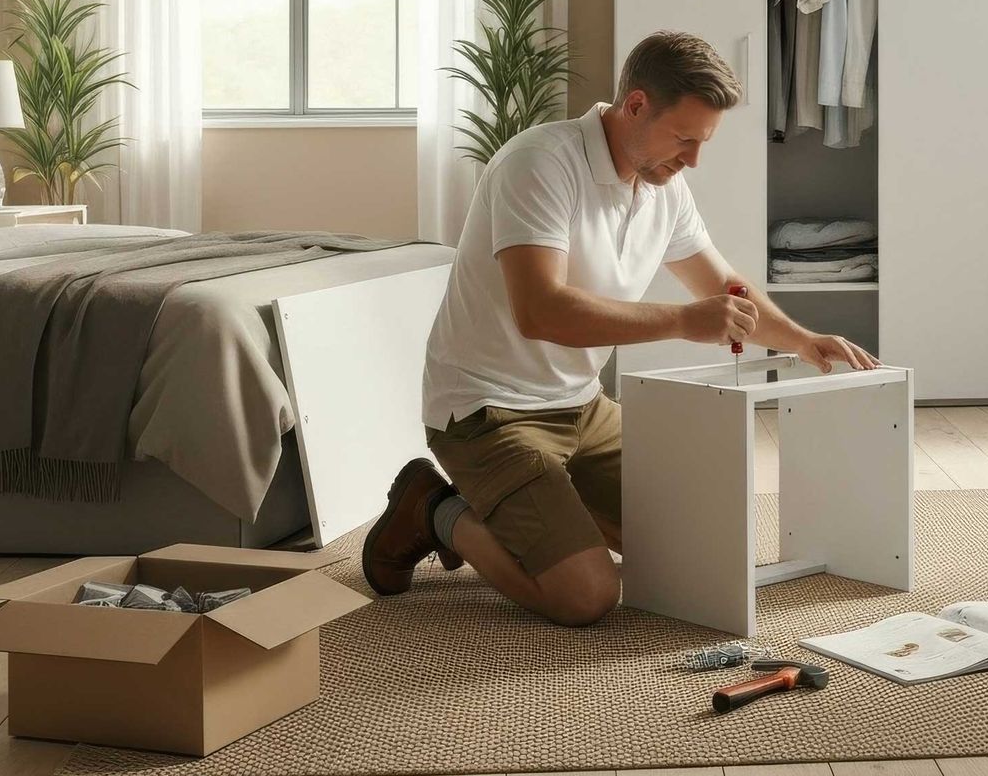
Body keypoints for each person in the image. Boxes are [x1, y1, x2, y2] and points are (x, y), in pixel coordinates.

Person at [363, 31, 878, 626]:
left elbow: (723, 286)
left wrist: (802, 339)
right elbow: (541, 311)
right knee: (586, 594)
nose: (692, 160)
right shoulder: (539, 164)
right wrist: (684, 322)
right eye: (684, 138)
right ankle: (433, 509)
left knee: (701, 549)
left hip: (581, 406)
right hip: (488, 410)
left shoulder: (664, 185)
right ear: (635, 105)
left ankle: (550, 505)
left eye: (702, 142)